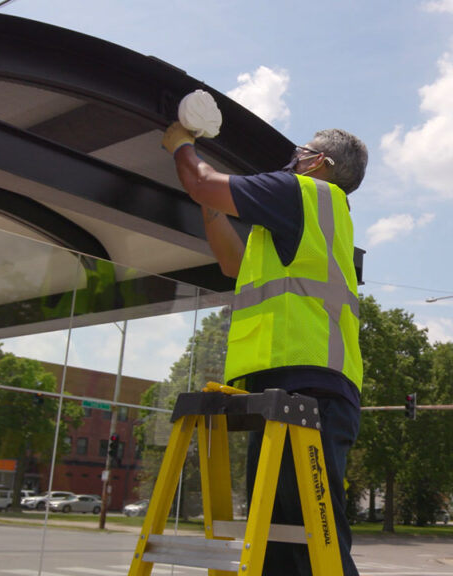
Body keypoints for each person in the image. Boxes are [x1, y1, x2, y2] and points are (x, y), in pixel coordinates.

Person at [163, 121, 368, 576]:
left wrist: (180, 143)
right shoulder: (314, 217)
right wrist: (208, 204)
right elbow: (231, 263)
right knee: (281, 542)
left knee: (315, 547)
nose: (293, 158)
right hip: (289, 394)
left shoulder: (304, 193)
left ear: (319, 163)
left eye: (302, 151)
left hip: (309, 393)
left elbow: (201, 182)